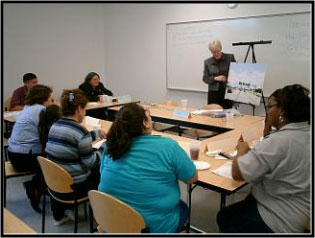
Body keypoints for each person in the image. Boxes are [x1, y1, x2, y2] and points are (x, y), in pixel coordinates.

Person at [217, 84, 310, 233]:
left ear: (282, 110)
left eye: (269, 106)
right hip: (300, 208)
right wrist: (269, 131)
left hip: (278, 218)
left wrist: (242, 149)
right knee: (229, 213)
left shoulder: (279, 141)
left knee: (224, 217)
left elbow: (237, 173)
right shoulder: (306, 132)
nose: (267, 111)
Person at [98, 103, 198, 233]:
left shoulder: (110, 146)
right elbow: (192, 178)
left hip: (113, 224)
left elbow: (103, 175)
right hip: (149, 229)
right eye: (149, 117)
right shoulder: (168, 146)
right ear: (145, 123)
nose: (151, 120)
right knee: (183, 207)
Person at [45, 89, 106, 225]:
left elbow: (74, 139)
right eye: (84, 109)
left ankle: (60, 215)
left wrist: (96, 133)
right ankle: (102, 218)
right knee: (102, 170)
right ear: (79, 109)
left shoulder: (56, 125)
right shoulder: (80, 131)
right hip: (74, 187)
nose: (85, 113)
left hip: (55, 183)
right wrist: (103, 148)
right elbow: (90, 163)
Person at [8, 84, 54, 213]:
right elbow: (54, 132)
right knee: (55, 160)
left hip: (14, 154)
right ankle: (35, 187)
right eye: (50, 98)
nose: (52, 101)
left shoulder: (28, 108)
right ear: (43, 98)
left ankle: (40, 185)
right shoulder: (41, 110)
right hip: (24, 158)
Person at [202, 40, 236, 109]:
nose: (216, 54)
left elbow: (236, 74)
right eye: (213, 52)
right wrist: (215, 78)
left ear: (221, 48)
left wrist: (226, 78)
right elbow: (205, 78)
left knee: (227, 115)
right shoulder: (207, 62)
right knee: (213, 115)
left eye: (217, 51)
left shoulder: (230, 58)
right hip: (213, 94)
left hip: (227, 92)